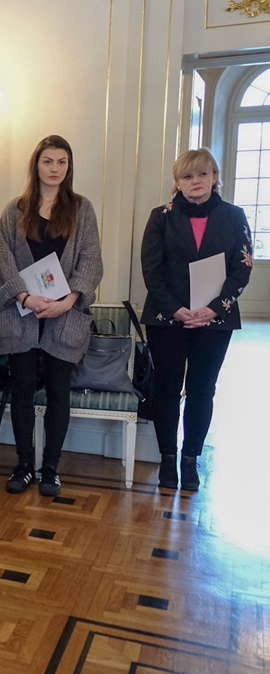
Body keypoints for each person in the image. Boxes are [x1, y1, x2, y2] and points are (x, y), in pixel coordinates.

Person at [0, 135, 103, 497]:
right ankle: (24, 465)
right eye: (48, 161)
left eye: (62, 162)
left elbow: (91, 260)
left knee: (57, 392)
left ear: (69, 166)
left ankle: (50, 468)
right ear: (36, 164)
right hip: (22, 315)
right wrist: (24, 296)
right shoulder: (15, 210)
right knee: (21, 391)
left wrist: (68, 301)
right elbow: (1, 260)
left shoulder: (82, 209)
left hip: (64, 316)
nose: (55, 169)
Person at [140, 148, 253, 492]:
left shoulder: (234, 216)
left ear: (215, 177)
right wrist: (176, 308)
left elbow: (242, 268)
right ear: (177, 183)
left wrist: (216, 308)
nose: (196, 181)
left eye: (203, 174)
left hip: (215, 320)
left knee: (203, 391)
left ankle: (190, 460)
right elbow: (151, 270)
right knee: (167, 389)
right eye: (187, 176)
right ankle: (167, 459)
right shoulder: (161, 217)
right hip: (167, 318)